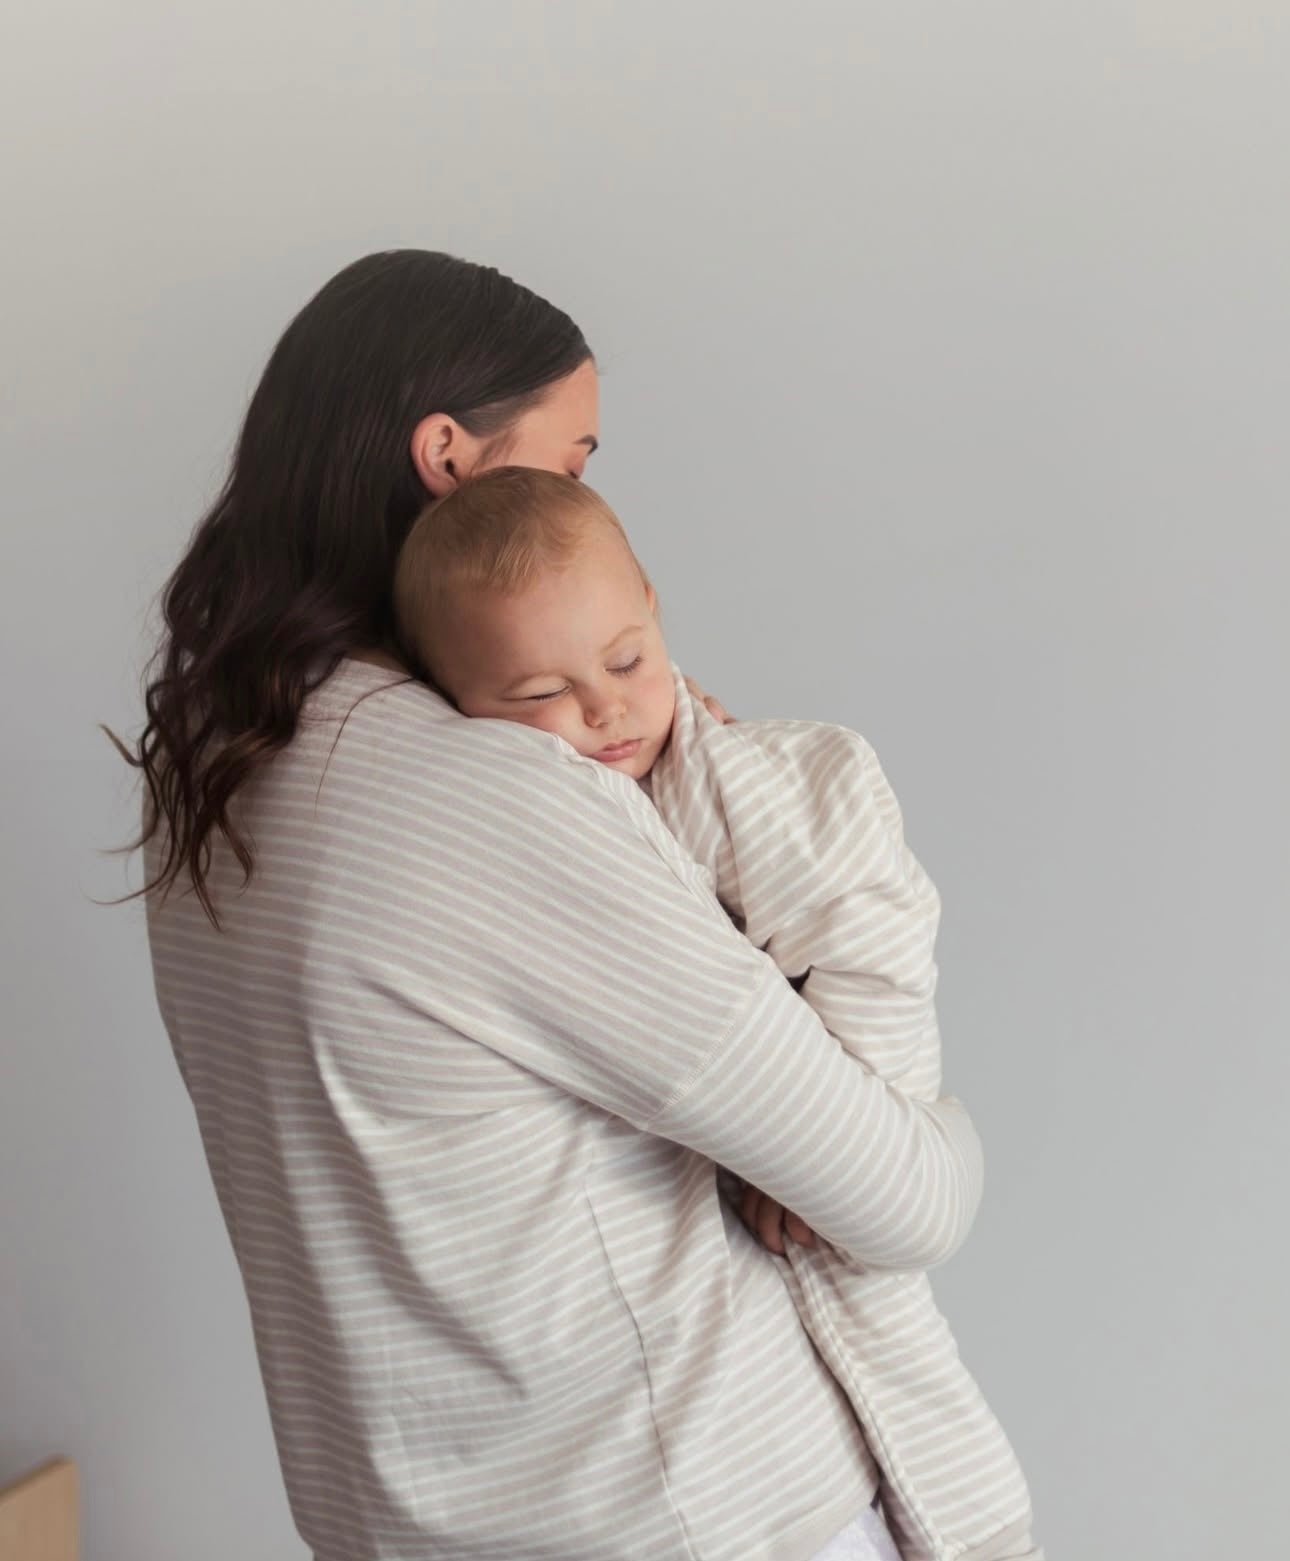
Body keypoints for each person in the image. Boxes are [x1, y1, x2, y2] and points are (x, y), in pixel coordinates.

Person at [121, 249, 988, 1561]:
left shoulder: (217, 781)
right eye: (571, 463)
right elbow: (904, 1200)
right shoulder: (490, 796)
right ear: (448, 460)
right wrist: (944, 1133)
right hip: (692, 1523)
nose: (588, 500)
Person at [390, 467, 1042, 1561]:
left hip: (825, 1165)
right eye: (537, 695)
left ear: (652, 603)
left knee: (910, 1398)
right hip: (706, 1302)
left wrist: (852, 1130)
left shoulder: (757, 783)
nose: (601, 707)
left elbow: (872, 938)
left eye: (626, 660)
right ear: (451, 706)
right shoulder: (516, 829)